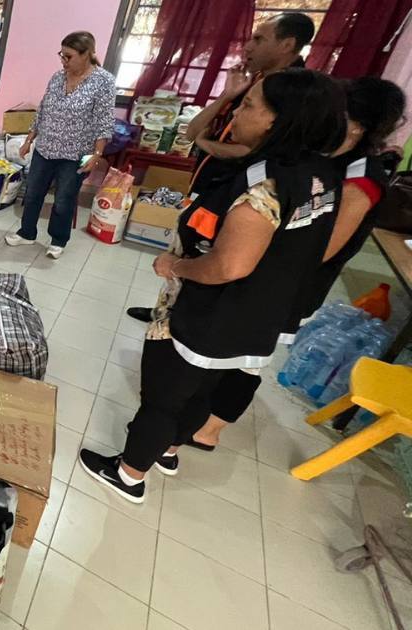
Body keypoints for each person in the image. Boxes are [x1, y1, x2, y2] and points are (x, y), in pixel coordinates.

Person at [79, 68, 347, 503]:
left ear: (278, 120)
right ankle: (168, 451)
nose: (237, 113)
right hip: (259, 314)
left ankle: (129, 474)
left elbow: (230, 265)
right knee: (203, 391)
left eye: (249, 106)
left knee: (163, 396)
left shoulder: (266, 186)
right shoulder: (322, 176)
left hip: (212, 313)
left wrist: (176, 266)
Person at [184, 76, 407, 451]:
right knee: (228, 351)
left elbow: (320, 248)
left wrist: (250, 247)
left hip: (289, 286)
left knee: (247, 361)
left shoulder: (361, 179)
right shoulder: (325, 157)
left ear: (358, 126)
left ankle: (210, 430)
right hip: (263, 273)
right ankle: (194, 416)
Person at [126, 12, 315, 323]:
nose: (247, 46)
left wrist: (207, 144)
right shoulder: (251, 84)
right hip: (209, 184)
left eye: (259, 39)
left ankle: (181, 322)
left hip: (238, 196)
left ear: (287, 44)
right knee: (186, 250)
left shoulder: (294, 93)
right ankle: (167, 310)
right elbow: (192, 132)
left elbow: (256, 151)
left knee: (210, 260)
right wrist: (229, 95)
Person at [4, 31, 115, 260]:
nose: (63, 61)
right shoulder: (57, 77)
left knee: (64, 200)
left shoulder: (103, 81)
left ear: (86, 54)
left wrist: (97, 154)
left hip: (76, 154)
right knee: (33, 194)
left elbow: (104, 121)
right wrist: (28, 140)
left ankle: (58, 240)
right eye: (61, 55)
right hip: (45, 148)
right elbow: (43, 111)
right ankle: (27, 233)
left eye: (69, 56)